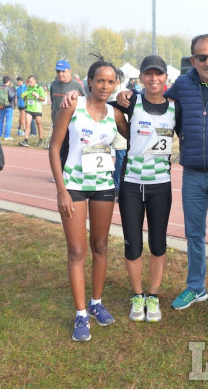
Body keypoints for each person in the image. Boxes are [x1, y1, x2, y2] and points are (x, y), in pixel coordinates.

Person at [117, 34, 208, 315]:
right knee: (194, 234)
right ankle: (196, 286)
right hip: (193, 173)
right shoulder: (183, 86)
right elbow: (154, 99)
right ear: (193, 61)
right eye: (202, 57)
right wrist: (126, 94)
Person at [48, 56, 128, 341]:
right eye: (100, 81)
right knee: (77, 251)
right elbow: (55, 146)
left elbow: (135, 135)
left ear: (116, 84)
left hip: (103, 186)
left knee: (101, 246)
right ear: (89, 82)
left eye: (111, 81)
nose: (105, 86)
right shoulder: (73, 106)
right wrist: (61, 191)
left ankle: (96, 303)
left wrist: (131, 98)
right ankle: (81, 314)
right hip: (74, 186)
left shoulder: (116, 114)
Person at [113, 55, 175, 323]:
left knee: (158, 243)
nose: (153, 79)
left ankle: (153, 295)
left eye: (158, 74)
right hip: (131, 184)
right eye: (148, 74)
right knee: (133, 244)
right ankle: (138, 295)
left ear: (165, 78)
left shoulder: (175, 108)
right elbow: (105, 108)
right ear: (140, 78)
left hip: (160, 185)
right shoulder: (132, 101)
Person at [109, 68, 127, 201]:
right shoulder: (113, 92)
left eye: (111, 81)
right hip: (114, 131)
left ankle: (118, 188)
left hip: (121, 132)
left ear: (118, 81)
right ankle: (115, 186)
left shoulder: (121, 93)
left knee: (121, 160)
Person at [49, 60, 86, 127]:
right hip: (57, 124)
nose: (60, 74)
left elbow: (86, 103)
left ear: (69, 72)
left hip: (72, 126)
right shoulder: (53, 84)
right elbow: (53, 103)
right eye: (58, 71)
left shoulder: (77, 85)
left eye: (63, 71)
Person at [19, 75, 46, 147]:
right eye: (29, 82)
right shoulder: (28, 88)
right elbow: (26, 97)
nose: (30, 84)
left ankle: (40, 140)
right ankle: (26, 140)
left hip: (37, 110)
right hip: (29, 109)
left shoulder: (39, 88)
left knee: (39, 124)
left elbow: (43, 99)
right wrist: (25, 98)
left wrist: (37, 96)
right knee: (27, 124)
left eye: (31, 82)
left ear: (34, 81)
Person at [0, 76, 16, 140]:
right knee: (8, 121)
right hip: (8, 106)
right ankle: (6, 136)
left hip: (1, 106)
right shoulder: (9, 89)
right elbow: (11, 97)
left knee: (1, 120)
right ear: (8, 81)